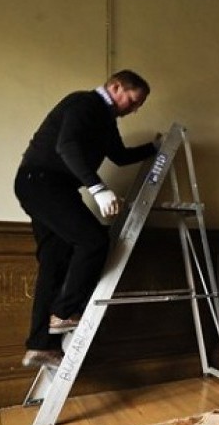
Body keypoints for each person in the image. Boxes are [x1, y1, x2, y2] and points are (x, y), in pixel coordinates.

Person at [14, 69, 159, 368]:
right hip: (42, 182)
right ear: (116, 87)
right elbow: (65, 146)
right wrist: (98, 188)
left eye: (138, 106)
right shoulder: (85, 104)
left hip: (46, 185)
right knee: (93, 241)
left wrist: (155, 148)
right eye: (132, 101)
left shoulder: (104, 120)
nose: (133, 110)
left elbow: (119, 156)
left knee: (54, 260)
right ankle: (65, 311)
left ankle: (41, 345)